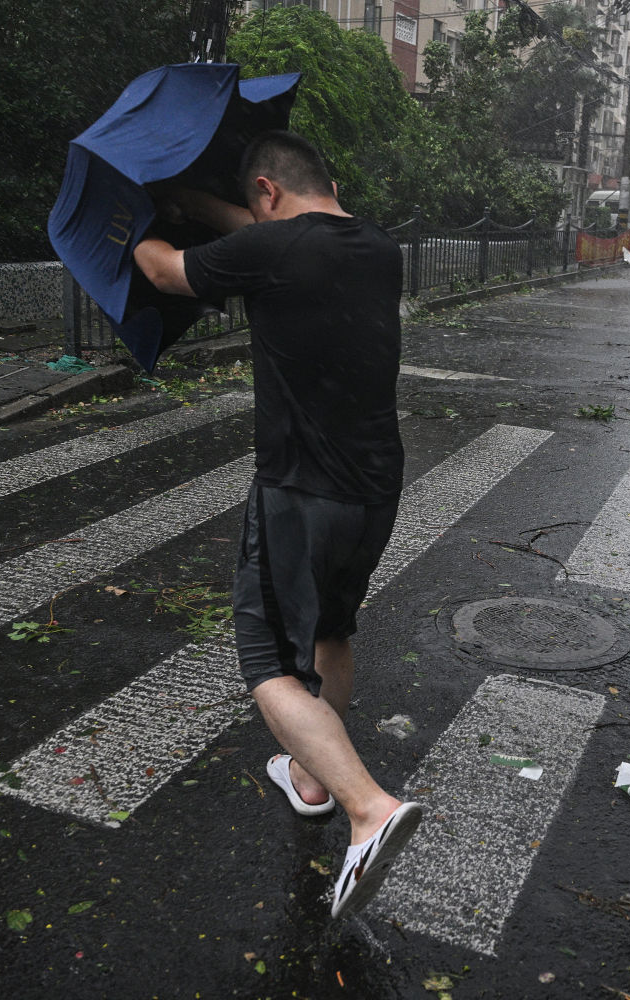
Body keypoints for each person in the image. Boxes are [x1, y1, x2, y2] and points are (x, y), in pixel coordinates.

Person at [132, 130, 422, 920]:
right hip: (375, 487)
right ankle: (312, 779)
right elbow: (271, 236)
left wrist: (142, 226)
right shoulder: (377, 247)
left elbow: (164, 269)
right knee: (331, 632)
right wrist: (203, 204)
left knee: (265, 660)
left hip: (300, 487)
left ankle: (368, 807)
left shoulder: (269, 252)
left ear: (266, 191)